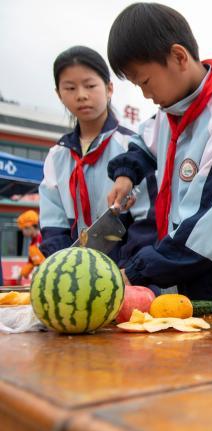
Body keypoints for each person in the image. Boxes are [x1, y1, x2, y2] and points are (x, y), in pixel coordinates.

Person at [105, 3, 212, 311]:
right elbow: (143, 142)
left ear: (179, 57)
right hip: (178, 272)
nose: (144, 94)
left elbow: (208, 225)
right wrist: (126, 176)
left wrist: (137, 271)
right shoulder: (170, 112)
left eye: (145, 81)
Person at [39, 46, 157, 268]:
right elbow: (52, 225)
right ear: (59, 94)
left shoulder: (133, 149)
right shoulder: (57, 156)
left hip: (125, 273)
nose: (81, 95)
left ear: (109, 88)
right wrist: (66, 269)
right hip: (73, 275)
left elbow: (147, 220)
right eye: (70, 88)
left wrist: (129, 270)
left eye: (90, 85)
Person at [16, 210, 44, 279]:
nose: (23, 232)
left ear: (30, 227)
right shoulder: (32, 244)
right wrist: (22, 274)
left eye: (24, 229)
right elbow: (31, 262)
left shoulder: (43, 240)